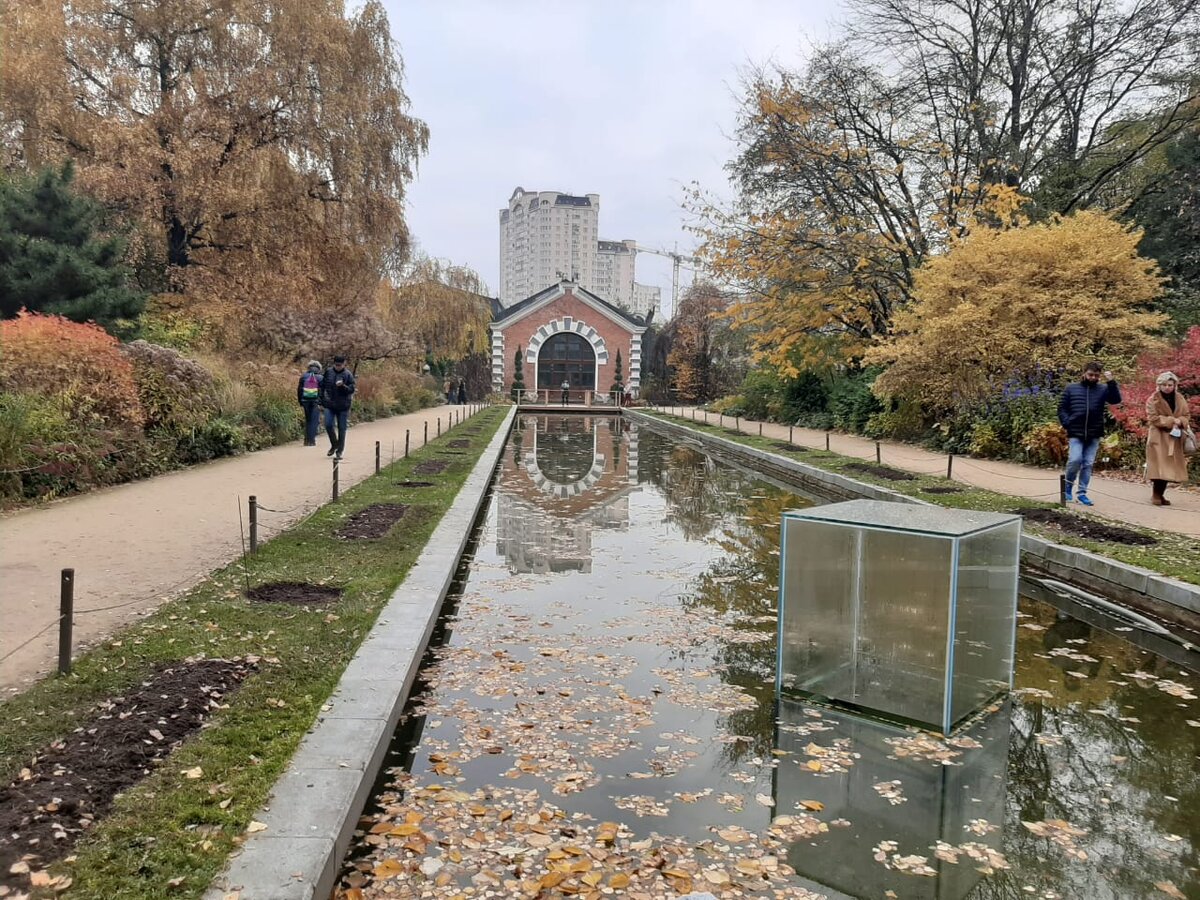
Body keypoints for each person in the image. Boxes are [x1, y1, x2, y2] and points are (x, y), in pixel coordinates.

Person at [1057, 361, 1121, 506]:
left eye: (1096, 376)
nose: (1093, 378)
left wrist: (1111, 382)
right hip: (1075, 431)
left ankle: (1082, 493)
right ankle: (1067, 487)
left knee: (1087, 463)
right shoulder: (1071, 388)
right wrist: (1067, 423)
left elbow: (1115, 400)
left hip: (1094, 432)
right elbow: (1062, 409)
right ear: (1084, 373)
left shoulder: (1103, 389)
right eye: (1090, 374)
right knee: (1074, 460)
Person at [1145, 371, 1191, 506]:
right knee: (1160, 466)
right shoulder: (1153, 399)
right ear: (1159, 385)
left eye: (1170, 384)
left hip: (1174, 437)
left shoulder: (1180, 398)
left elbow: (1186, 415)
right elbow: (1153, 418)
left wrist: (1181, 421)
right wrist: (1172, 421)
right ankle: (1156, 495)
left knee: (1169, 468)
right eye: (1164, 384)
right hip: (1158, 436)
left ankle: (1160, 494)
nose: (1167, 387)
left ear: (1174, 385)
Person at [321, 355, 356, 458]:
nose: (338, 367)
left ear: (344, 364)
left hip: (343, 405)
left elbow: (351, 389)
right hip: (330, 404)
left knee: (342, 428)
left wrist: (343, 386)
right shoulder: (328, 372)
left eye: (340, 365)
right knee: (328, 424)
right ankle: (334, 444)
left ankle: (339, 450)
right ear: (334, 364)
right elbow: (322, 386)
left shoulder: (348, 374)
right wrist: (322, 399)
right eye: (336, 365)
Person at [296, 360, 323, 446]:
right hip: (316, 401)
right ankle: (311, 441)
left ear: (309, 367)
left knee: (308, 420)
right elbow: (323, 391)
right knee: (314, 420)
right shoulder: (321, 378)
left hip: (305, 401)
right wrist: (322, 402)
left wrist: (300, 401)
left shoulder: (303, 376)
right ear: (319, 368)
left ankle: (306, 440)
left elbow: (299, 390)